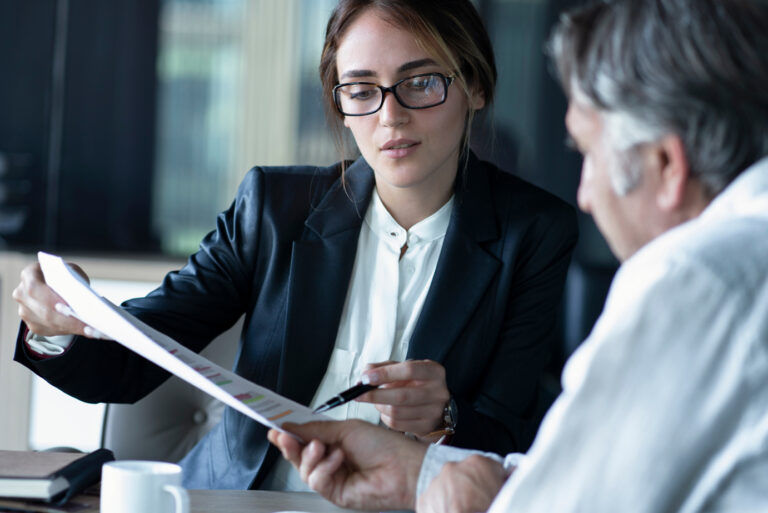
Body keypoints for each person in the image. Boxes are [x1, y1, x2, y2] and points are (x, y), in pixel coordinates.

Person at [11, 0, 577, 491]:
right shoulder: (273, 208)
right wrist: (56, 325)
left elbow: (514, 438)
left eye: (421, 82)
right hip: (239, 502)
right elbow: (128, 364)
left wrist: (445, 417)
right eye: (362, 90)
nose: (391, 115)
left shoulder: (534, 232)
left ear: (475, 87)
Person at [269, 0, 768, 511]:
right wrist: (418, 474)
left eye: (588, 155)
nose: (587, 195)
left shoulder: (695, 281)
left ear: (667, 165)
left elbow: (571, 503)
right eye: (361, 89)